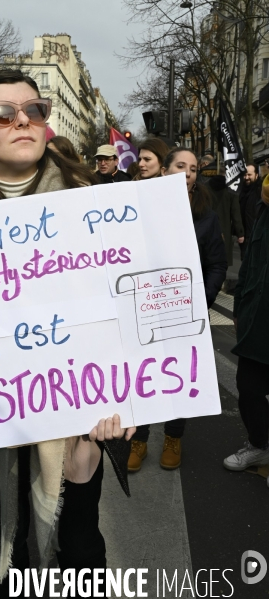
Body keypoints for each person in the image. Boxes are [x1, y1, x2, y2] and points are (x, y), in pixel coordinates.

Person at [0, 69, 135, 598]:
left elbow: (125, 310)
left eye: (36, 109)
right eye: (4, 113)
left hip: (79, 418)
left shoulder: (96, 206)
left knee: (81, 549)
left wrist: (132, 399)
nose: (23, 120)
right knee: (0, 547)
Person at [128, 147, 227, 472]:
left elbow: (216, 265)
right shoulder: (138, 209)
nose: (188, 173)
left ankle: (173, 437)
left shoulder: (206, 217)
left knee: (177, 375)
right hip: (144, 309)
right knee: (142, 375)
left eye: (194, 168)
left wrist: (203, 300)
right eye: (181, 166)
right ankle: (139, 439)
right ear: (166, 171)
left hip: (185, 314)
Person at [223, 175, 269, 474]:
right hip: (257, 321)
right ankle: (259, 446)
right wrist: (239, 306)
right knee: (249, 388)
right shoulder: (263, 209)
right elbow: (251, 261)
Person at [206, 166, 244, 267]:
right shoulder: (231, 189)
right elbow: (235, 212)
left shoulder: (205, 187)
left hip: (207, 227)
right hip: (224, 228)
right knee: (222, 260)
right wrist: (240, 233)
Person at [238, 163, 261, 260]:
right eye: (245, 175)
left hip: (258, 236)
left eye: (249, 175)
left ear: (256, 175)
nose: (246, 177)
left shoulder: (261, 191)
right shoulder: (240, 191)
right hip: (244, 237)